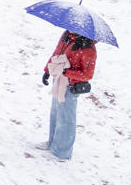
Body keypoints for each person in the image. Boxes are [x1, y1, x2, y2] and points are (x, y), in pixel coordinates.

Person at [41, 30, 97, 161]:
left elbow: (87, 75)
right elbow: (57, 53)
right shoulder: (66, 36)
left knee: (66, 118)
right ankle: (53, 142)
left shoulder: (88, 49)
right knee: (55, 113)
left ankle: (62, 152)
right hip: (58, 80)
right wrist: (47, 71)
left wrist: (67, 72)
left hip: (71, 85)